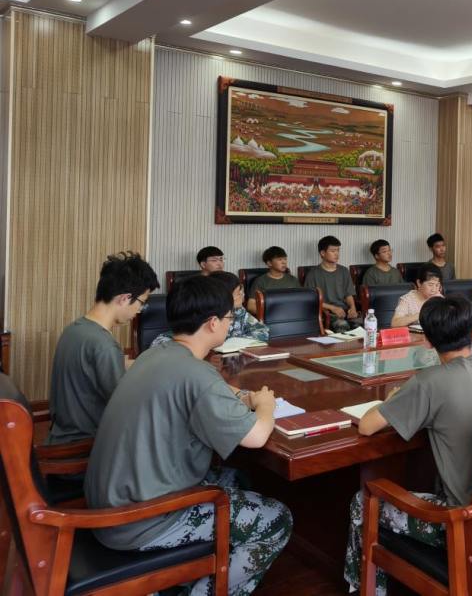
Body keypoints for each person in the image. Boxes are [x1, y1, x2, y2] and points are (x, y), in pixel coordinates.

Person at [84, 276, 291, 595]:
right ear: (212, 323)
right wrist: (264, 404)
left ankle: (195, 570)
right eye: (229, 317)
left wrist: (240, 396)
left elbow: (204, 389)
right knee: (277, 519)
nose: (230, 323)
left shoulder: (156, 353)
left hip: (109, 501)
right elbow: (256, 436)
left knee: (237, 479)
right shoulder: (196, 373)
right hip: (140, 520)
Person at [345, 296, 472, 596]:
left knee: (363, 500)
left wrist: (390, 402)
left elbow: (368, 425)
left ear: (426, 341)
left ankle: (365, 590)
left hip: (462, 525)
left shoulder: (429, 381)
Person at [46, 252, 159, 446]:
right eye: (142, 302)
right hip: (85, 445)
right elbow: (123, 406)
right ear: (125, 298)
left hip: (61, 434)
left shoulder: (76, 329)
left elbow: (93, 368)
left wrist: (143, 363)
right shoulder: (103, 344)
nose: (140, 310)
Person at [150, 271, 270, 350]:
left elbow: (262, 330)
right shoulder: (201, 311)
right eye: (238, 294)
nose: (243, 297)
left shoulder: (239, 311)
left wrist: (233, 344)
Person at [304, 235, 361, 332]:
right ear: (323, 253)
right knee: (342, 326)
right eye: (333, 251)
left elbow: (348, 295)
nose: (337, 254)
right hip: (327, 312)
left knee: (365, 322)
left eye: (338, 250)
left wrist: (353, 307)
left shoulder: (344, 271)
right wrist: (332, 308)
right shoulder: (313, 274)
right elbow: (311, 301)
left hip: (344, 310)